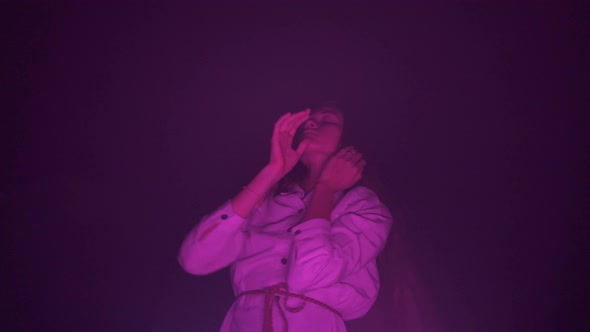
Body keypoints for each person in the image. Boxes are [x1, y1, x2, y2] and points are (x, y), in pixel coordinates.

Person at [178, 104, 393, 332]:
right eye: (309, 120)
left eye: (327, 120)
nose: (310, 123)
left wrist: (325, 189)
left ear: (349, 141)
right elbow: (195, 260)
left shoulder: (363, 206)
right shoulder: (266, 203)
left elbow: (312, 272)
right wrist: (272, 172)